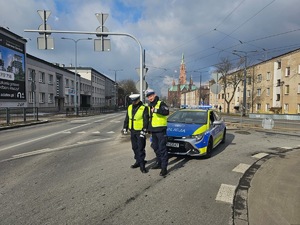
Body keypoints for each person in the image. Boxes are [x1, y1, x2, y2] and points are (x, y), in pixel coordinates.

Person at [145, 89, 169, 176]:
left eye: (151, 96)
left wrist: (156, 110)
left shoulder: (161, 103)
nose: (150, 98)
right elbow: (149, 118)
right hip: (153, 130)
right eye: (148, 97)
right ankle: (159, 162)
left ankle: (164, 168)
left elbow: (166, 112)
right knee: (155, 147)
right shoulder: (149, 105)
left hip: (161, 130)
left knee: (162, 149)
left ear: (154, 95)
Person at [123, 94, 149, 173]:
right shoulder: (130, 107)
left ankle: (142, 165)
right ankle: (138, 161)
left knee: (140, 148)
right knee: (134, 147)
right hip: (132, 130)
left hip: (140, 131)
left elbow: (146, 120)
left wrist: (144, 130)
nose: (133, 102)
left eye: (134, 101)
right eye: (132, 101)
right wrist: (125, 127)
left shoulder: (144, 108)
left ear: (138, 100)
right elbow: (127, 117)